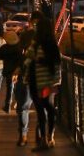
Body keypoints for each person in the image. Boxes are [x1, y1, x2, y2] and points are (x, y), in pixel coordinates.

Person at [26, 17, 61, 150]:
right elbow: (57, 63)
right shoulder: (48, 43)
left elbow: (53, 62)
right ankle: (49, 137)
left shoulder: (42, 44)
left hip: (41, 80)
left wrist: (39, 60)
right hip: (42, 80)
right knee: (46, 107)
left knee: (42, 109)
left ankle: (45, 139)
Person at [0, 31, 33, 146]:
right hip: (38, 81)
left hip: (20, 78)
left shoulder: (19, 50)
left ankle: (23, 135)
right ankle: (42, 135)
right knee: (41, 109)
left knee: (23, 108)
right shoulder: (31, 50)